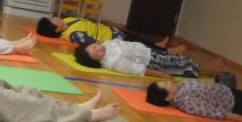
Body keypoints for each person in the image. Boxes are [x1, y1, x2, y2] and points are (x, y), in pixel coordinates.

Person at [36, 15, 185, 53]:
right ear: (56, 29)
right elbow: (90, 42)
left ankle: (158, 45)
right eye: (53, 20)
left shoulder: (68, 20)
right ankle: (167, 51)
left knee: (137, 38)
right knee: (138, 45)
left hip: (110, 31)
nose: (55, 17)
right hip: (113, 38)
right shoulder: (73, 33)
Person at [74, 40, 204, 78]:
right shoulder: (113, 61)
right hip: (152, 61)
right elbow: (136, 69)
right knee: (179, 65)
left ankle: (197, 65)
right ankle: (198, 69)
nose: (98, 49)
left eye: (94, 46)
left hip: (149, 52)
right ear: (96, 61)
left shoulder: (106, 44)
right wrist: (160, 74)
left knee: (177, 58)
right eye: (96, 53)